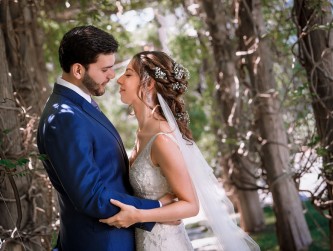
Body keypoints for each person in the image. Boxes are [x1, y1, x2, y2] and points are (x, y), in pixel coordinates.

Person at [100, 51, 261, 251]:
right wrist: (160, 204)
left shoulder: (162, 139)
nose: (119, 79)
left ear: (148, 84)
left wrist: (138, 216)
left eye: (129, 74)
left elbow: (191, 205)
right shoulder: (142, 132)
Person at [37, 26, 163, 251]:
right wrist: (156, 209)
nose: (113, 76)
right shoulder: (64, 117)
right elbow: (91, 196)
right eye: (105, 69)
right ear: (78, 70)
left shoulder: (78, 107)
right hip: (102, 243)